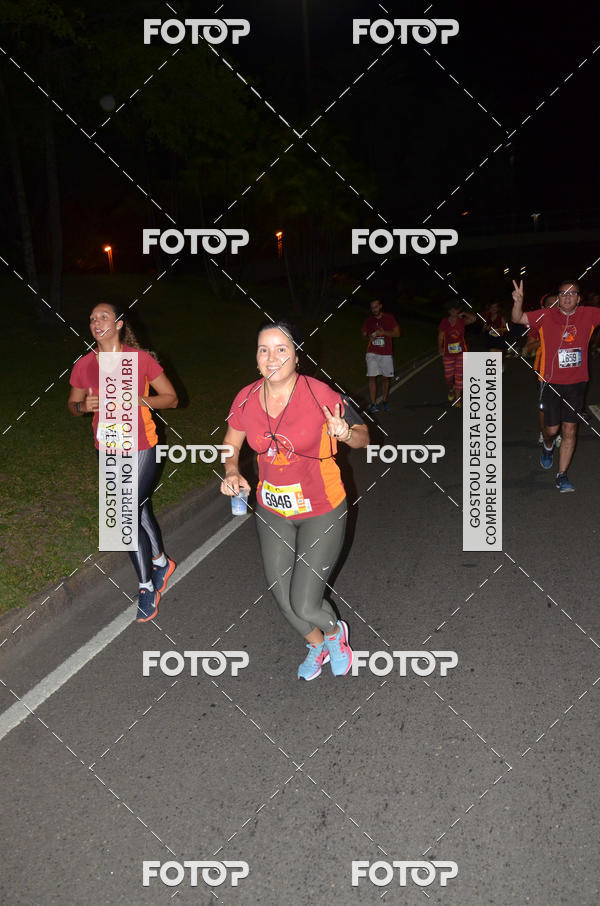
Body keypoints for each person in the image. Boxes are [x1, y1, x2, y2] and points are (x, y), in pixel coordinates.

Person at [221, 320, 369, 680]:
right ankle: (315, 644)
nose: (272, 357)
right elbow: (231, 442)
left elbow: (364, 437)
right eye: (263, 349)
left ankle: (336, 634)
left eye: (281, 349)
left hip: (322, 508)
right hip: (272, 510)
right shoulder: (245, 398)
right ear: (256, 358)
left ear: (296, 356)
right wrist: (230, 470)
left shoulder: (320, 394)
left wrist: (345, 431)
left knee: (305, 601)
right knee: (283, 598)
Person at [68, 302, 178, 620]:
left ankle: (146, 587)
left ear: (118, 324)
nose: (96, 322)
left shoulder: (140, 359)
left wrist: (137, 398)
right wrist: (83, 406)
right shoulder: (84, 365)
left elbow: (171, 398)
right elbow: (72, 405)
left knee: (125, 514)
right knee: (137, 507)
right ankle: (160, 562)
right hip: (108, 449)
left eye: (104, 317)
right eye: (91, 319)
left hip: (142, 445)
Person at [511, 279, 600, 492]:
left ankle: (562, 476)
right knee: (552, 429)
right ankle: (548, 445)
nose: (567, 297)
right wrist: (518, 302)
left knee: (570, 429)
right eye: (563, 293)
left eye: (572, 293)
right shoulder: (545, 315)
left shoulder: (589, 314)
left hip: (577, 383)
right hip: (550, 382)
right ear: (558, 298)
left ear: (578, 298)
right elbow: (518, 318)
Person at [361, 299, 400, 413]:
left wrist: (384, 333)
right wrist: (369, 337)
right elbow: (364, 335)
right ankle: (373, 404)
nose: (374, 309)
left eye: (376, 307)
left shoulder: (389, 318)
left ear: (381, 306)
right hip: (372, 352)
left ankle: (384, 401)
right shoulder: (369, 320)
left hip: (386, 353)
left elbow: (397, 333)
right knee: (372, 377)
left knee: (385, 378)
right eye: (372, 307)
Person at [438, 305, 477, 406]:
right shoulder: (444, 322)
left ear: (459, 310)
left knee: (459, 376)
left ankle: (457, 399)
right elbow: (441, 335)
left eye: (456, 309)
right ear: (449, 311)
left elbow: (473, 319)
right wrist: (440, 347)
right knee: (448, 377)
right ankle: (451, 389)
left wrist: (464, 314)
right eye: (451, 309)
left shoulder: (462, 321)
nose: (454, 311)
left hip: (461, 353)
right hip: (448, 353)